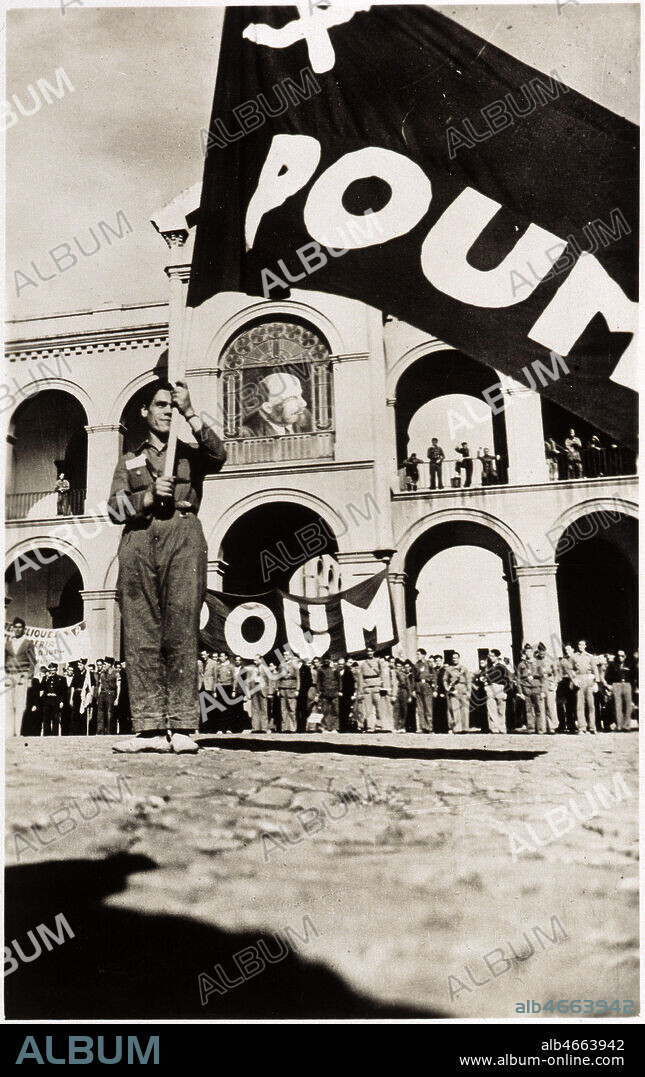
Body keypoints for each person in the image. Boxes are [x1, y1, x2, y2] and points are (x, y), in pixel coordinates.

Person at [107, 378, 226, 753]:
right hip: (140, 540)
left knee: (181, 628)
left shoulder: (190, 454)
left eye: (171, 407)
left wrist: (190, 412)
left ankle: (183, 726)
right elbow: (113, 509)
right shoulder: (130, 459)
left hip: (183, 535)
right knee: (142, 632)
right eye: (161, 405)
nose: (166, 412)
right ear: (145, 412)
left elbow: (220, 455)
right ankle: (150, 730)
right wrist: (145, 497)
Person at [242, 372, 310, 437]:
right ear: (268, 408)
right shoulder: (248, 433)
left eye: (300, 395)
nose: (304, 403)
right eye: (292, 399)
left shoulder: (305, 416)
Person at [5, 618, 37, 737]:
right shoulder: (8, 643)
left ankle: (18, 732)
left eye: (20, 627)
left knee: (20, 704)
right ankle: (9, 732)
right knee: (8, 704)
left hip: (22, 674)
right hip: (9, 675)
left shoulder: (28, 643)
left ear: (24, 629)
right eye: (16, 627)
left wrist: (29, 677)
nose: (17, 629)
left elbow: (33, 662)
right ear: (12, 628)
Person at [357, 646, 391, 732]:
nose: (370, 653)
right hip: (367, 687)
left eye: (371, 651)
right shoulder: (363, 664)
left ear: (374, 652)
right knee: (368, 709)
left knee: (379, 707)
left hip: (376, 686)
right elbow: (360, 677)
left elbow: (382, 674)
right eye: (368, 651)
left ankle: (379, 726)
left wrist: (383, 687)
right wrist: (361, 690)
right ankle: (370, 727)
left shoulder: (378, 662)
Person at [515, 643, 544, 734]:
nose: (528, 653)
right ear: (525, 652)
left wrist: (543, 690)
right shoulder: (521, 665)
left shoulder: (538, 663)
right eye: (527, 651)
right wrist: (520, 692)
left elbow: (543, 677)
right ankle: (531, 728)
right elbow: (518, 679)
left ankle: (540, 729)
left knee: (538, 709)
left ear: (533, 652)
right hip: (526, 688)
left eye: (530, 651)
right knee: (528, 710)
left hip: (536, 687)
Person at [571, 639, 598, 734]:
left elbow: (595, 669)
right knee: (580, 705)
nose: (581, 646)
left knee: (591, 705)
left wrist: (596, 682)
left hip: (589, 679)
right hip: (579, 679)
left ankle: (592, 727)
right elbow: (571, 669)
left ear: (586, 646)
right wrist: (574, 679)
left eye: (583, 645)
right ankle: (582, 728)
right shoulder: (574, 657)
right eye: (579, 644)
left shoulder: (590, 657)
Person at [605, 650, 634, 732]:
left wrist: (635, 687)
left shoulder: (629, 665)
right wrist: (610, 686)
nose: (620, 657)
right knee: (618, 706)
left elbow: (634, 676)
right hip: (616, 685)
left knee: (628, 706)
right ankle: (619, 726)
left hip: (627, 685)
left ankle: (627, 726)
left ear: (625, 656)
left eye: (622, 656)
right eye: (618, 656)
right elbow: (608, 676)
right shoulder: (612, 665)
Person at [484, 650, 511, 734]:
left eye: (492, 656)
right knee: (491, 710)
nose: (491, 658)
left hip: (499, 688)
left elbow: (507, 679)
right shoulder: (488, 667)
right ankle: (494, 728)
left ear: (497, 657)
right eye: (490, 656)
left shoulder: (502, 667)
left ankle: (502, 728)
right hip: (490, 688)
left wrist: (505, 692)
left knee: (501, 710)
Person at [443, 652, 471, 732]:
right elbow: (445, 680)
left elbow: (468, 680)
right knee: (455, 709)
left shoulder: (464, 669)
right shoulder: (449, 669)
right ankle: (458, 728)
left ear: (459, 658)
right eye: (453, 658)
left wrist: (469, 691)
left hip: (463, 688)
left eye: (456, 658)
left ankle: (465, 728)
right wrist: (447, 688)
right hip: (454, 689)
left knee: (465, 709)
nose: (455, 659)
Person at [534, 643, 558, 734]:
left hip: (549, 684)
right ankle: (542, 728)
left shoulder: (551, 661)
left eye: (543, 651)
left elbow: (556, 673)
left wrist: (555, 684)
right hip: (540, 685)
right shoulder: (536, 662)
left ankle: (552, 727)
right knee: (540, 707)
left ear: (545, 651)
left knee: (550, 706)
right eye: (540, 651)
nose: (541, 653)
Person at [413, 648, 435, 733]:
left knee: (428, 708)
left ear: (423, 655)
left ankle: (429, 727)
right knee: (420, 708)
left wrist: (434, 688)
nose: (417, 656)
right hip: (418, 686)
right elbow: (414, 678)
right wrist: (413, 689)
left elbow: (434, 676)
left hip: (427, 686)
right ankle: (423, 727)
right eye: (417, 654)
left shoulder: (428, 664)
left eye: (418, 654)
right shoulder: (416, 665)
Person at [557, 644, 578, 734]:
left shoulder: (575, 658)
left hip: (575, 682)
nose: (567, 651)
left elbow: (579, 669)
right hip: (565, 682)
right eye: (566, 649)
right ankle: (571, 726)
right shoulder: (563, 660)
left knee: (576, 705)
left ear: (573, 650)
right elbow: (560, 673)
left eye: (569, 649)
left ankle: (580, 725)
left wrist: (574, 677)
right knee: (568, 705)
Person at [317, 656, 341, 732]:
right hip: (325, 693)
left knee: (335, 710)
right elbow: (319, 682)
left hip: (334, 692)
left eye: (327, 660)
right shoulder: (320, 670)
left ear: (330, 660)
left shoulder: (335, 669)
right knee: (326, 711)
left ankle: (335, 727)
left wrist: (340, 690)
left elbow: (339, 680)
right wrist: (319, 691)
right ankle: (326, 727)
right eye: (324, 660)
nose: (326, 661)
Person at [41, 663, 65, 736]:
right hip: (47, 700)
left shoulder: (61, 679)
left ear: (56, 670)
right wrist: (46, 679)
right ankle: (46, 734)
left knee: (55, 718)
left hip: (56, 699)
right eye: (51, 670)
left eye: (54, 670)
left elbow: (63, 691)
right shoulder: (45, 678)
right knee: (46, 718)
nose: (52, 672)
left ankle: (55, 734)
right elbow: (42, 688)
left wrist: (62, 701)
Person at [97, 657, 119, 735]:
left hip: (111, 693)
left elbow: (118, 686)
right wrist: (98, 696)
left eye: (105, 664)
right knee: (100, 713)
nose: (103, 665)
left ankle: (110, 732)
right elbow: (100, 684)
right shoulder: (102, 673)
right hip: (102, 694)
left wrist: (117, 698)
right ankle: (100, 731)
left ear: (109, 665)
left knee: (110, 713)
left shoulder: (116, 673)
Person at [278, 654, 300, 732]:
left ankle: (292, 728)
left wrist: (297, 689)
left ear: (290, 656)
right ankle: (284, 728)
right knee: (283, 709)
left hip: (291, 688)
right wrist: (278, 689)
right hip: (283, 688)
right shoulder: (281, 665)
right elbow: (278, 678)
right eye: (284, 655)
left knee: (292, 708)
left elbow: (298, 677)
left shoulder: (294, 665)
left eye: (287, 655)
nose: (285, 656)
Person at [337, 656, 355, 733]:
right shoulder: (336, 672)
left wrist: (352, 694)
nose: (341, 665)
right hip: (338, 694)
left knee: (346, 711)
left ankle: (346, 727)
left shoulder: (348, 672)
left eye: (342, 664)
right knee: (339, 711)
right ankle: (340, 727)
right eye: (339, 664)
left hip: (347, 694)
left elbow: (352, 684)